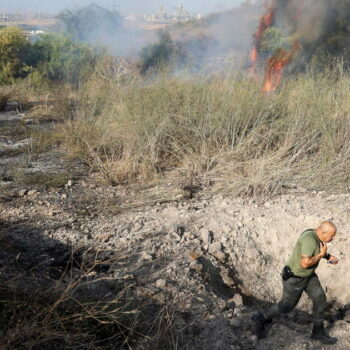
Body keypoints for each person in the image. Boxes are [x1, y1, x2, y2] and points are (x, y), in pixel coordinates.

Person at [252, 221, 339, 345]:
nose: (333, 238)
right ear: (323, 232)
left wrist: (327, 256)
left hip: (309, 276)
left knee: (320, 300)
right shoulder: (309, 239)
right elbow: (305, 263)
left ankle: (317, 333)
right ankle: (261, 317)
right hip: (295, 278)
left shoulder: (317, 236)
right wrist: (321, 255)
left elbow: (314, 252)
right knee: (286, 306)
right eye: (332, 235)